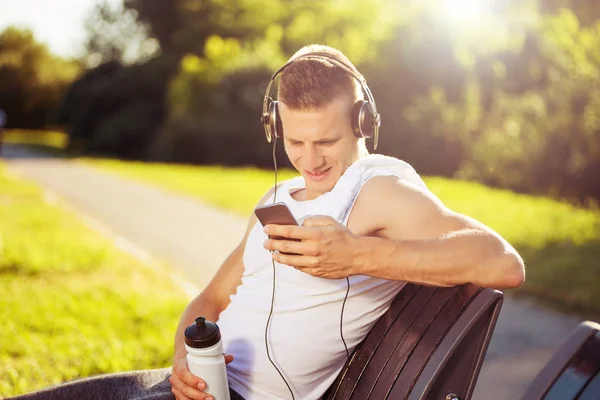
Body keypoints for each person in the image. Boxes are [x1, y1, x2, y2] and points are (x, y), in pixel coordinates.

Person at [10, 44, 525, 400]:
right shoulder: (277, 195)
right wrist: (183, 364)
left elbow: (503, 263)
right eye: (294, 142)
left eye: (326, 141)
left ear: (362, 123)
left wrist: (360, 255)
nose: (310, 159)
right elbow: (209, 301)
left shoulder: (378, 185)